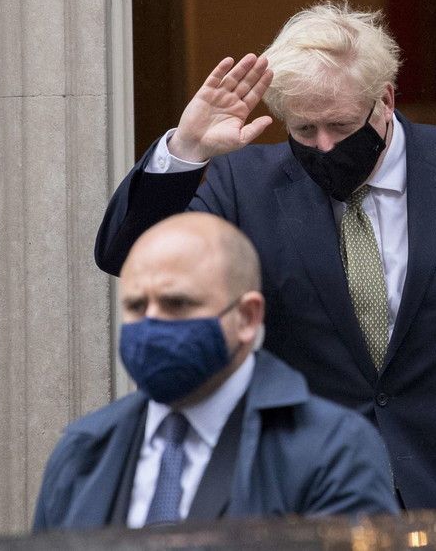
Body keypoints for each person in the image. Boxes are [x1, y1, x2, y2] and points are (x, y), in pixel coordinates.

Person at [96, 2, 436, 517]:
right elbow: (129, 256)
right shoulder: (244, 186)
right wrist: (187, 149)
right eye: (304, 130)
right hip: (307, 502)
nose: (323, 147)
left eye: (340, 126)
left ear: (384, 100)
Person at [34, 212, 398, 531]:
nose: (152, 323)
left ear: (247, 317)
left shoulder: (333, 450)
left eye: (177, 303)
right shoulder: (83, 453)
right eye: (136, 305)